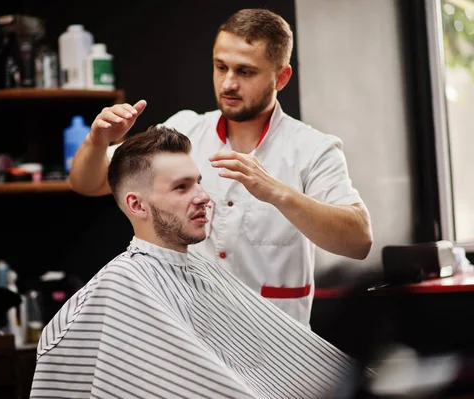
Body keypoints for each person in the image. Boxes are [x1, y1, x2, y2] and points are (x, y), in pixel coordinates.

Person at [68, 8, 373, 326]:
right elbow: (87, 183)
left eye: (245, 72)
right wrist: (97, 140)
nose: (228, 83)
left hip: (276, 347)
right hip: (196, 339)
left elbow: (359, 240)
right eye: (220, 67)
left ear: (280, 77)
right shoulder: (185, 130)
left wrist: (277, 193)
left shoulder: (313, 149)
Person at [31, 126, 358, 399]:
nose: (203, 196)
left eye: (198, 181)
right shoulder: (120, 287)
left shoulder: (203, 274)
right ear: (137, 204)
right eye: (182, 187)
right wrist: (96, 141)